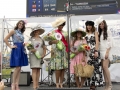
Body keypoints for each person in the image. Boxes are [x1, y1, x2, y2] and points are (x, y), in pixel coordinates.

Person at [4, 20, 28, 90]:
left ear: (23, 26)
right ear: (17, 24)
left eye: (22, 24)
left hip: (22, 49)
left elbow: (21, 41)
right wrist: (10, 46)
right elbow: (5, 39)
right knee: (17, 67)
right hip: (16, 49)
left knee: (19, 68)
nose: (21, 25)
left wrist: (24, 44)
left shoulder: (21, 33)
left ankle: (17, 84)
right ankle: (13, 83)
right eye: (20, 23)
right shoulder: (13, 31)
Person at [49, 17, 68, 88]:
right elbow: (49, 42)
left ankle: (61, 83)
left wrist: (67, 52)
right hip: (56, 52)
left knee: (63, 68)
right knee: (58, 68)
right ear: (57, 25)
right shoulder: (53, 32)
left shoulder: (65, 33)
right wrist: (53, 41)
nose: (61, 26)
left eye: (62, 25)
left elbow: (67, 43)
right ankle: (57, 83)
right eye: (60, 25)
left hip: (63, 52)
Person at [84, 21, 103, 90]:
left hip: (94, 52)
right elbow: (84, 43)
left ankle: (95, 84)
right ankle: (91, 84)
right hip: (87, 53)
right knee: (89, 69)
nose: (88, 26)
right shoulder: (85, 33)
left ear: (92, 26)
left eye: (90, 25)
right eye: (87, 25)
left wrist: (96, 51)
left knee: (95, 68)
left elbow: (97, 42)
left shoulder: (95, 32)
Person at [28, 25, 46, 90]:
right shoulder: (30, 39)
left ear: (39, 31)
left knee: (38, 69)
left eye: (37, 31)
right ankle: (34, 84)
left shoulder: (42, 39)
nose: (36, 32)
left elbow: (44, 47)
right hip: (33, 55)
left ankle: (37, 84)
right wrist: (32, 49)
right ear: (33, 32)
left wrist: (44, 54)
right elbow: (28, 47)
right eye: (35, 31)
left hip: (40, 55)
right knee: (34, 69)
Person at [98, 19, 113, 90]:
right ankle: (106, 85)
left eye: (102, 24)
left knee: (105, 67)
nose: (101, 25)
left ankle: (110, 84)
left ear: (105, 24)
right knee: (103, 69)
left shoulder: (108, 31)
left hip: (106, 51)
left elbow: (110, 42)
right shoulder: (100, 32)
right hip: (101, 51)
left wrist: (107, 52)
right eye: (100, 24)